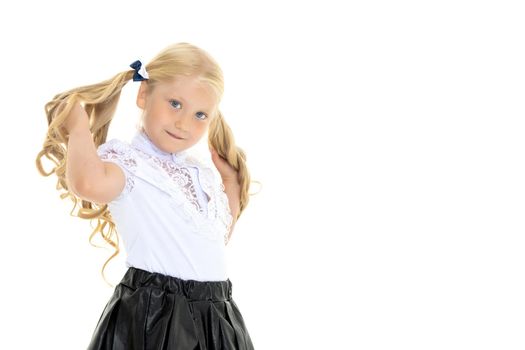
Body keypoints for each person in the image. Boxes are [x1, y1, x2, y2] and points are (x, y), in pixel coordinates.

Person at [35, 42, 256, 349]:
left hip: (217, 315)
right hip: (157, 316)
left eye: (200, 114)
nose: (184, 123)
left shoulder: (199, 173)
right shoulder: (130, 164)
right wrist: (77, 127)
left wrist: (230, 183)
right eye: (175, 104)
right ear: (143, 95)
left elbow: (214, 237)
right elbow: (87, 183)